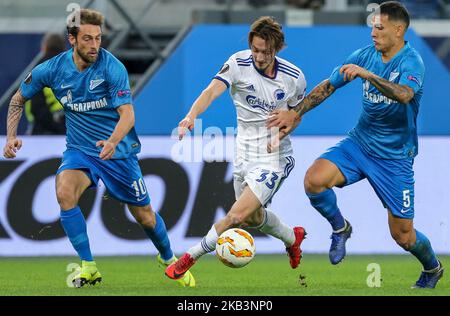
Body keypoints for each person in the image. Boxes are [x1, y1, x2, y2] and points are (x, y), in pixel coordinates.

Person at [3, 8, 195, 288]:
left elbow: (128, 114)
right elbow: (17, 100)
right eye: (88, 39)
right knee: (64, 192)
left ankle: (167, 257)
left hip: (118, 152)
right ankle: (88, 266)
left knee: (145, 216)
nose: (95, 45)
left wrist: (114, 141)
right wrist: (10, 137)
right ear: (72, 39)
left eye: (98, 38)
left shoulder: (111, 67)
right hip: (80, 151)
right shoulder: (52, 69)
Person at [267, 1, 444, 289]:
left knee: (403, 236)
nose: (373, 32)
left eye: (380, 27)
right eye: (372, 26)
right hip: (359, 143)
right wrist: (295, 112)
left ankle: (432, 268)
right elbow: (329, 84)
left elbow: (404, 94)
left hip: (394, 158)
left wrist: (368, 75)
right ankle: (340, 227)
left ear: (399, 30)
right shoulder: (365, 55)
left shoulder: (411, 62)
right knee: (314, 181)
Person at [165, 16, 307, 281]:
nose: (260, 56)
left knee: (236, 216)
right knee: (253, 219)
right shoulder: (238, 63)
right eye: (255, 50)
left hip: (274, 157)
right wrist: (191, 116)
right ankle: (292, 236)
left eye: (266, 52)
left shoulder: (294, 77)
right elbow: (210, 91)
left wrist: (281, 134)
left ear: (277, 49)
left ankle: (188, 257)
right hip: (243, 152)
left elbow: (295, 115)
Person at [25, 33, 66, 135]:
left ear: (44, 48)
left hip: (42, 131)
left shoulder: (37, 70)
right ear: (64, 48)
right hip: (70, 130)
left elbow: (36, 107)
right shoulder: (74, 68)